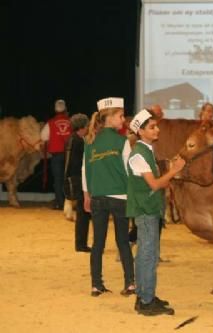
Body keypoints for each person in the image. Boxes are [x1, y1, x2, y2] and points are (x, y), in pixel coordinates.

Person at [127, 109, 185, 316]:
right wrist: (174, 171)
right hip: (145, 209)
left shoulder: (146, 151)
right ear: (141, 132)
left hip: (149, 209)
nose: (157, 129)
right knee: (147, 255)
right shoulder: (138, 155)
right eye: (152, 127)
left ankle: (146, 295)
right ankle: (146, 301)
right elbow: (154, 184)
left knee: (148, 254)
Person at [83, 97, 135, 297]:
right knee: (123, 241)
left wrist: (87, 194)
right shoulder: (122, 141)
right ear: (111, 117)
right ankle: (130, 283)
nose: (123, 120)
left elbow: (84, 169)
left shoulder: (90, 141)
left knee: (98, 243)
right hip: (120, 196)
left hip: (98, 197)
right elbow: (129, 170)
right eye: (121, 116)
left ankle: (96, 284)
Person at [64, 113, 91, 252]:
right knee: (83, 214)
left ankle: (80, 243)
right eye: (87, 125)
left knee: (82, 212)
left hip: (73, 179)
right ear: (82, 127)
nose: (88, 128)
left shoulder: (70, 139)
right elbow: (82, 163)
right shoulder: (80, 142)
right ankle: (81, 244)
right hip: (79, 180)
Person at [41, 99, 72, 210]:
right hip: (70, 155)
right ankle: (71, 203)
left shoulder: (50, 122)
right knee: (69, 179)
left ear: (55, 110)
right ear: (65, 109)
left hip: (57, 155)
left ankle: (60, 203)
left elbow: (43, 137)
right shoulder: (71, 122)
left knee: (58, 180)